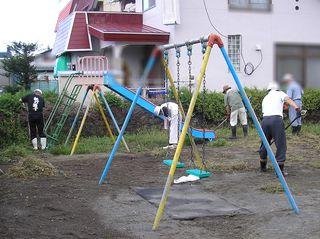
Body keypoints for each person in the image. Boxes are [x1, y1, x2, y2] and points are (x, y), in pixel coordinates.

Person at [259, 82, 301, 175]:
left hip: (265, 121)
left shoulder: (265, 98)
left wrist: (283, 107)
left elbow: (271, 109)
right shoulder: (280, 93)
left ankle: (262, 167)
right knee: (281, 145)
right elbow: (289, 100)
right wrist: (297, 109)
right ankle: (279, 171)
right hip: (276, 121)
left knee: (265, 143)